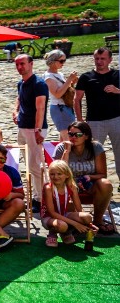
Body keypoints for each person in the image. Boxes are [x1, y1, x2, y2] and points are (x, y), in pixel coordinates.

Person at [53, 121, 115, 234]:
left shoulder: (95, 147)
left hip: (90, 184)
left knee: (105, 184)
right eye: (71, 134)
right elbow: (57, 173)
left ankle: (97, 221)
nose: (73, 137)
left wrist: (89, 177)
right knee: (68, 187)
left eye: (78, 135)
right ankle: (73, 223)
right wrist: (67, 152)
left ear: (86, 136)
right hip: (68, 185)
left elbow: (102, 174)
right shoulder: (61, 148)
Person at [74, 47, 120, 180]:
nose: (99, 61)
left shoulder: (117, 75)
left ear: (110, 60)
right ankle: (95, 183)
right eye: (97, 59)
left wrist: (118, 91)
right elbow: (77, 99)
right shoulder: (86, 77)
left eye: (102, 59)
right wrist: (80, 120)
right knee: (93, 154)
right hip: (95, 122)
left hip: (117, 119)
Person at [13, 54, 48, 212]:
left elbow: (40, 107)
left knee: (35, 166)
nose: (20, 67)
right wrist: (15, 111)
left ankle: (41, 200)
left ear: (31, 64)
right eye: (17, 64)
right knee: (28, 165)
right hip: (23, 127)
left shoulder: (39, 83)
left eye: (22, 64)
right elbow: (19, 99)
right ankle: (36, 196)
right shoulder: (21, 83)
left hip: (34, 129)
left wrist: (38, 130)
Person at [41, 159, 97, 248]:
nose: (55, 177)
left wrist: (89, 224)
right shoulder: (48, 188)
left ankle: (66, 232)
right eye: (52, 174)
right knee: (62, 225)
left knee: (88, 217)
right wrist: (76, 224)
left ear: (67, 175)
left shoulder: (71, 187)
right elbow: (52, 213)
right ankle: (52, 234)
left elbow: (79, 208)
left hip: (64, 214)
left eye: (59, 174)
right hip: (49, 217)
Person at [43, 49, 78, 142]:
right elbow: (57, 94)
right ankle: (67, 156)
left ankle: (61, 156)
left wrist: (72, 82)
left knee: (63, 140)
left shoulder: (59, 74)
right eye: (61, 61)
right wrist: (69, 79)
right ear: (53, 61)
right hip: (59, 108)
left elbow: (65, 90)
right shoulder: (48, 77)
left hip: (66, 107)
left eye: (64, 60)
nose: (63, 63)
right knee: (68, 139)